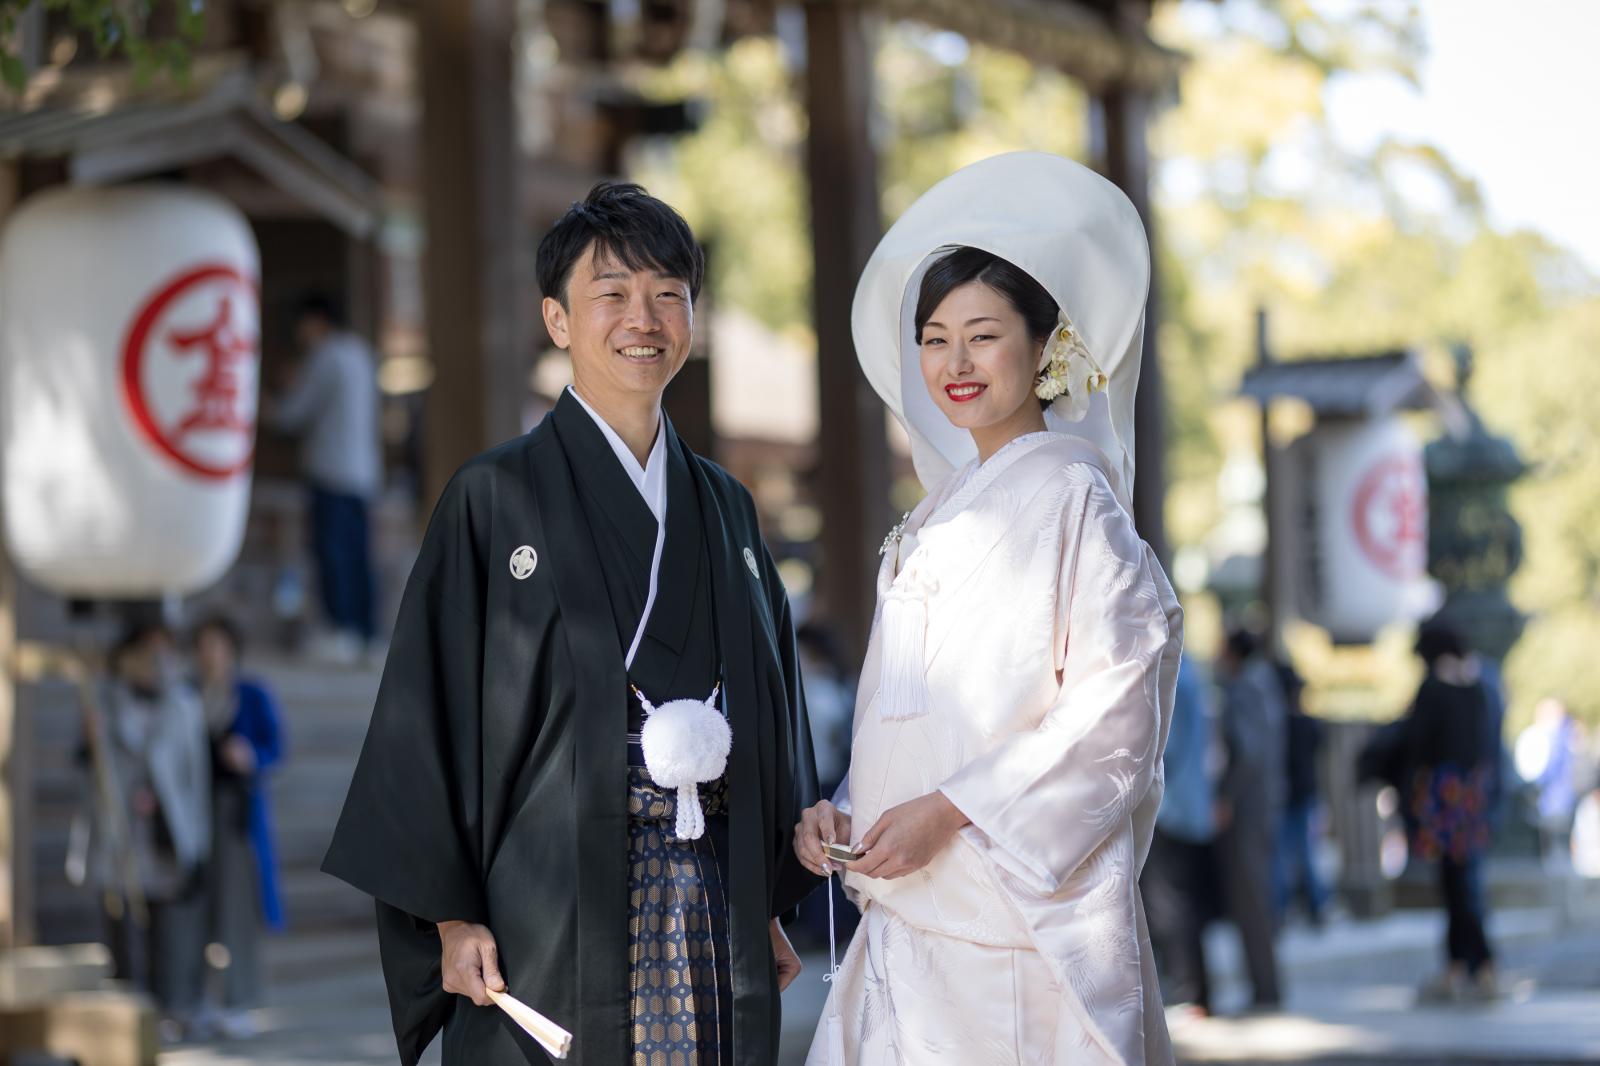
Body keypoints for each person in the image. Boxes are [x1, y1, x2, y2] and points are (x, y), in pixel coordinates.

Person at [322, 182, 820, 1066]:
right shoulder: (493, 497)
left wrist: (767, 896)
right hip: (548, 908)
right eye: (612, 294)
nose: (644, 319)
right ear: (557, 319)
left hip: (711, 899)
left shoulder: (727, 507)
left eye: (668, 294)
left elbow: (773, 710)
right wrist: (450, 917)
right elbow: (426, 709)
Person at [794, 153, 1183, 1065]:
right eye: (934, 339)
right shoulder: (937, 511)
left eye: (983, 335)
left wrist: (950, 811)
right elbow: (913, 712)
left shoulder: (1076, 500)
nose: (955, 364)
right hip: (907, 913)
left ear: (1045, 348)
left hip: (1012, 932)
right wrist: (850, 811)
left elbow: (1115, 713)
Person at [80, 620, 212, 1039]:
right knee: (121, 927)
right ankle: (124, 1015)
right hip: (119, 830)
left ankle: (165, 1010)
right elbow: (87, 765)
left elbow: (195, 776)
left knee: (166, 929)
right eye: (147, 649)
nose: (156, 659)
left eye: (164, 649)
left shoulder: (184, 702)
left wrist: (196, 838)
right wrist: (90, 738)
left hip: (166, 832)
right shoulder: (106, 699)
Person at [268, 291, 382, 664]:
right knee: (358, 556)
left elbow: (293, 413)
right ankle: (366, 633)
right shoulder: (360, 353)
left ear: (316, 321)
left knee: (333, 554)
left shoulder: (325, 355)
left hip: (331, 471)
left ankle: (340, 630)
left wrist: (269, 402)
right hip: (363, 472)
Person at [192, 613, 287, 1039]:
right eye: (205, 646)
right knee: (196, 910)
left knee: (237, 911)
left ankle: (239, 1000)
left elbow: (275, 747)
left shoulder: (250, 694)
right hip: (194, 812)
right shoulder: (189, 694)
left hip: (236, 813)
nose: (212, 655)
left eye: (219, 645)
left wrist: (251, 757)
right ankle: (200, 999)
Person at [1405, 621, 1500, 1003]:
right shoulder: (1478, 689)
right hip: (1470, 796)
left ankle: (1476, 964)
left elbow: (1417, 743)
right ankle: (1464, 965)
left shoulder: (1433, 691)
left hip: (1445, 796)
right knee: (1462, 882)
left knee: (1457, 884)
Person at [1214, 628, 1286, 1011]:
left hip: (1247, 808)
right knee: (1260, 896)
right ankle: (1266, 985)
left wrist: (1226, 796)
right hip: (1266, 803)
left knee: (1251, 899)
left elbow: (1247, 751)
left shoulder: (1243, 689)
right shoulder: (1266, 684)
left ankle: (1264, 988)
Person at [1142, 655, 1218, 1017]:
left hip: (1171, 809)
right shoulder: (1192, 674)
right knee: (1186, 903)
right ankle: (1196, 990)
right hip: (1193, 807)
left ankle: (1189, 990)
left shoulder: (1170, 676)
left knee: (1170, 904)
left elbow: (1162, 750)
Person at [1275, 662, 1328, 928]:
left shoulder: (1281, 724)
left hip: (1288, 795)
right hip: (1304, 793)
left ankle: (1284, 906)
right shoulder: (1308, 724)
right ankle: (1314, 904)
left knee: (1286, 854)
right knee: (1305, 851)